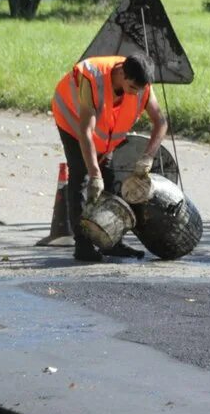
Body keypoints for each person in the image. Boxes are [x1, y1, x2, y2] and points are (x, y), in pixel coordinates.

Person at [52, 53, 167, 262]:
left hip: (107, 131)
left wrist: (147, 158)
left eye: (139, 90)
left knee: (110, 178)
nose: (135, 94)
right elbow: (85, 132)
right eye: (132, 88)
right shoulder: (93, 79)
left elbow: (161, 122)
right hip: (72, 121)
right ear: (122, 72)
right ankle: (83, 245)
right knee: (82, 176)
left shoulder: (142, 85)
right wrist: (94, 174)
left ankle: (111, 241)